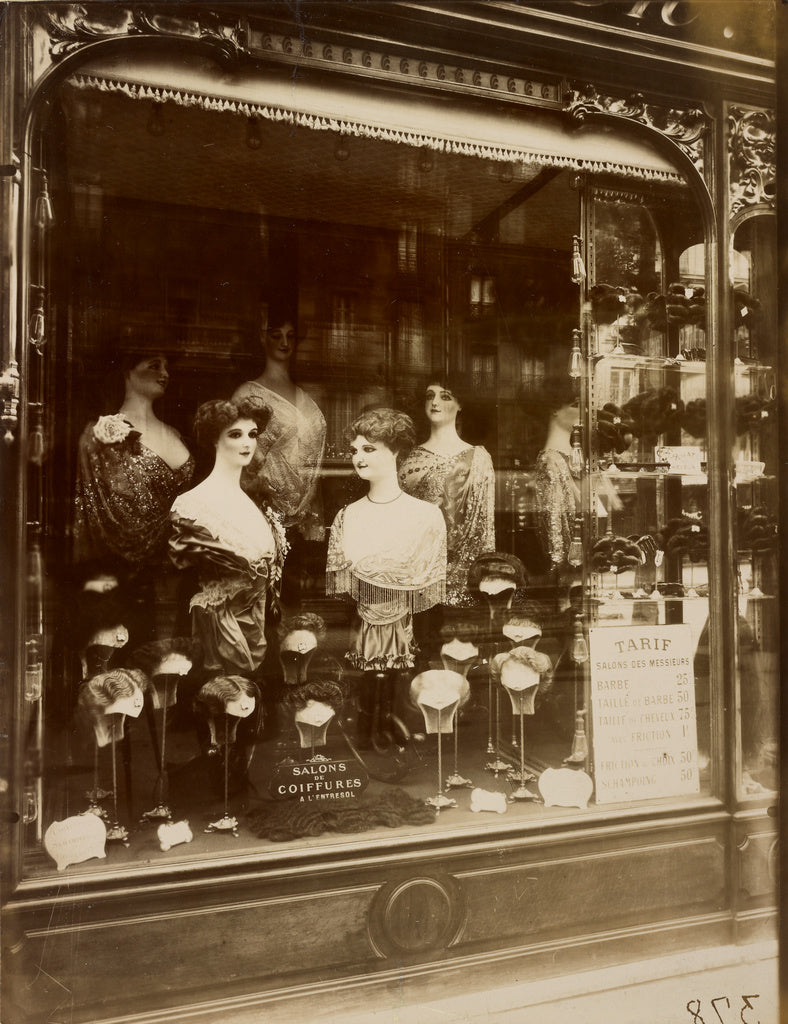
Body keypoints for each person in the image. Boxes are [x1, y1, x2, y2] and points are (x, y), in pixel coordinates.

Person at [326, 408, 446, 748]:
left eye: (370, 448)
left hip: (409, 626)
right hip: (364, 622)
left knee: (397, 680)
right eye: (354, 450)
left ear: (396, 451)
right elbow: (344, 583)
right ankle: (368, 729)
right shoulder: (348, 516)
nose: (358, 458)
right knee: (369, 680)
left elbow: (429, 581)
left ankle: (393, 725)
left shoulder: (425, 516)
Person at [169, 399, 287, 677]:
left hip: (260, 631)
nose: (247, 442)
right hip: (220, 636)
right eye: (235, 434)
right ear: (214, 440)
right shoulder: (192, 506)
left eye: (252, 434)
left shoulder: (256, 502)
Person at [74, 349, 194, 569]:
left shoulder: (175, 434)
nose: (165, 374)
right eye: (154, 365)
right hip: (125, 570)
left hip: (178, 562)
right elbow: (95, 513)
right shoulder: (99, 435)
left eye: (167, 367)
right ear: (127, 372)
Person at [398, 374, 495, 607]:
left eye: (445, 397)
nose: (435, 403)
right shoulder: (408, 457)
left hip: (463, 573)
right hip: (415, 570)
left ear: (460, 404)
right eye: (430, 396)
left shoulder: (478, 458)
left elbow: (485, 525)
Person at [232, 308, 326, 544]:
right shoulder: (248, 393)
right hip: (264, 512)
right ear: (263, 338)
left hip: (306, 513)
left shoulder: (307, 396)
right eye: (276, 335)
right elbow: (235, 457)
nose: (284, 343)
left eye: (290, 336)